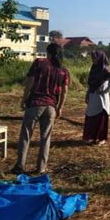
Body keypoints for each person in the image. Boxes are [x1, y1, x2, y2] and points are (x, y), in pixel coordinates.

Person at [12, 43, 69, 174]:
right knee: (45, 137)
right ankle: (41, 168)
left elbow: (30, 82)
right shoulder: (63, 70)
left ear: (47, 52)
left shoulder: (40, 62)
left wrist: (23, 99)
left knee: (26, 135)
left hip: (35, 104)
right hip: (51, 107)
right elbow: (64, 91)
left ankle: (20, 165)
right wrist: (60, 107)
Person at [83, 50, 110, 145]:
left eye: (94, 58)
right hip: (93, 96)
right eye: (92, 58)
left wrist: (105, 91)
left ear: (100, 58)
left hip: (101, 99)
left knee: (100, 118)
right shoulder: (94, 68)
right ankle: (90, 137)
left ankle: (100, 138)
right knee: (90, 117)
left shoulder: (105, 69)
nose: (93, 60)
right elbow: (91, 84)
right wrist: (87, 94)